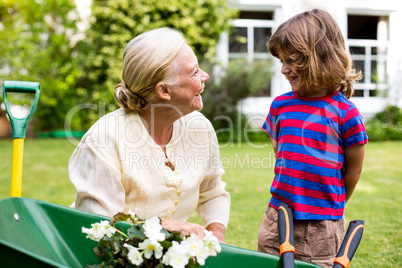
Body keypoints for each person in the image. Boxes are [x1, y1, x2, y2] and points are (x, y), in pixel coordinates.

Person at [69, 28, 230, 243]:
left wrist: (215, 238)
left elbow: (213, 192)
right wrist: (164, 227)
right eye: (193, 72)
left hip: (172, 256)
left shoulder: (199, 127)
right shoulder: (104, 139)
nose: (204, 76)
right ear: (164, 91)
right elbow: (101, 226)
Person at [257, 9, 367, 267]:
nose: (284, 69)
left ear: (320, 57)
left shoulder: (346, 113)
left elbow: (353, 172)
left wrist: (327, 208)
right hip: (277, 217)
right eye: (281, 61)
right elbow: (282, 155)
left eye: (291, 61)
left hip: (321, 227)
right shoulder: (280, 106)